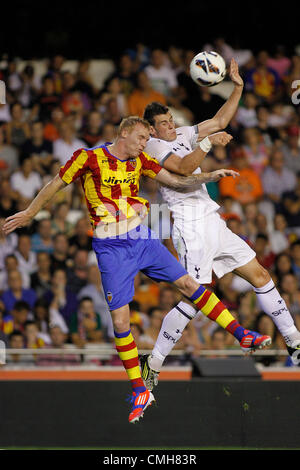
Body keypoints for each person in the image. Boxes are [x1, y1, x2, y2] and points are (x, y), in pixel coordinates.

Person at [2, 115, 269, 424]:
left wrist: (211, 176)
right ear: (125, 133)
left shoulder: (140, 160)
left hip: (143, 238)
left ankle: (242, 335)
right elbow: (55, 185)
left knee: (190, 285)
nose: (146, 144)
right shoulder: (87, 158)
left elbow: (178, 180)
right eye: (142, 137)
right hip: (111, 249)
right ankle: (139, 390)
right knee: (120, 322)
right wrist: (30, 212)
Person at [141, 59, 300, 390]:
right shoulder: (154, 146)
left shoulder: (184, 131)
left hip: (212, 220)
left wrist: (238, 86)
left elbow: (219, 120)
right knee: (195, 299)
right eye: (165, 124)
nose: (172, 127)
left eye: (172, 121)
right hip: (189, 226)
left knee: (260, 274)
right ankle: (154, 360)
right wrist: (210, 144)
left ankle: (294, 341)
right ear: (152, 129)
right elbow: (184, 168)